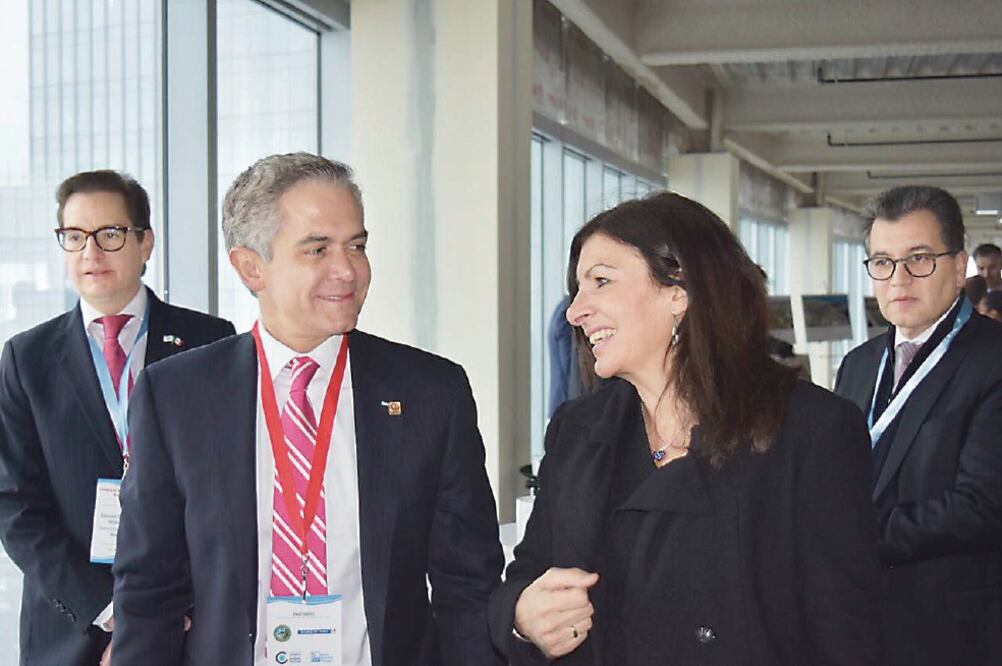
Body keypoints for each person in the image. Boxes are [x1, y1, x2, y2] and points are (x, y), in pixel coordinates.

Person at [110, 153, 504, 665]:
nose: (347, 270)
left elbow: (467, 583)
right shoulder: (176, 396)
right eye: (318, 249)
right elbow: (148, 588)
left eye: (356, 246)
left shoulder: (431, 392)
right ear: (250, 267)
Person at [490, 192, 882, 665]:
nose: (575, 311)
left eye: (601, 282)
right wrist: (522, 617)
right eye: (578, 288)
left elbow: (846, 632)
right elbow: (529, 573)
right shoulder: (577, 430)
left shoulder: (811, 431)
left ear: (679, 292)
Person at [0, 170, 235, 665]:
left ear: (145, 242)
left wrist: (166, 610)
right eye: (74, 236)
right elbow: (16, 506)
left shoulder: (211, 342)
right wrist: (109, 611)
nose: (91, 252)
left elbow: (226, 491)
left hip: (188, 625)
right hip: (70, 630)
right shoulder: (27, 358)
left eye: (110, 234)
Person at [834, 185, 1002, 666]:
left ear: (958, 267)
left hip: (954, 628)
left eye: (919, 259)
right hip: (859, 623)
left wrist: (850, 535)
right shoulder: (857, 364)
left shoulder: (992, 359)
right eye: (882, 262)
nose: (899, 278)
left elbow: (981, 505)